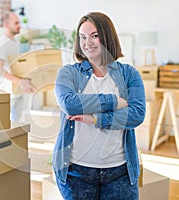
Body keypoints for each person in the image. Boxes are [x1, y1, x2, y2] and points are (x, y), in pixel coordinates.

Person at [52, 12, 146, 200]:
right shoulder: (68, 73)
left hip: (119, 172)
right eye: (82, 37)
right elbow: (70, 105)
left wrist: (96, 119)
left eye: (94, 35)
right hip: (75, 172)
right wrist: (115, 102)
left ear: (107, 36)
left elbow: (136, 114)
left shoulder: (129, 74)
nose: (87, 43)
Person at [0, 11, 36, 121]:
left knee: (17, 126)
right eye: (16, 23)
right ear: (6, 25)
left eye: (19, 22)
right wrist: (21, 81)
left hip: (17, 91)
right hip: (5, 93)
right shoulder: (1, 43)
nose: (19, 26)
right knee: (3, 126)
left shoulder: (15, 41)